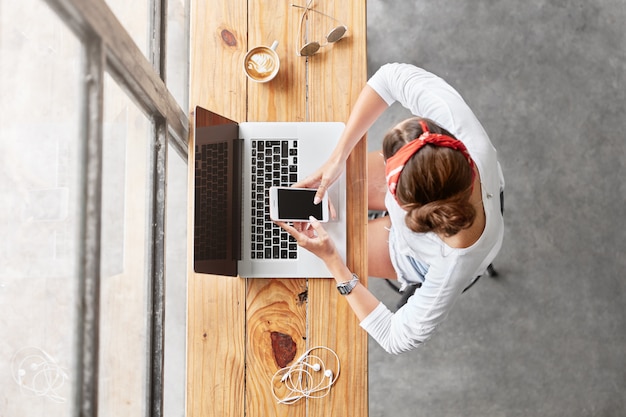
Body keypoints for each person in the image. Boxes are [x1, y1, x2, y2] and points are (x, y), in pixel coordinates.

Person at [275, 63, 504, 354]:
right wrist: (338, 156)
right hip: (434, 193)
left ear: (402, 204)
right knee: (320, 185)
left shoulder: (452, 264)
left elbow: (396, 337)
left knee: (319, 241)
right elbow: (390, 77)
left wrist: (333, 261)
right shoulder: (459, 133)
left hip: (415, 256)